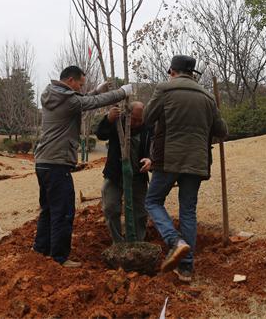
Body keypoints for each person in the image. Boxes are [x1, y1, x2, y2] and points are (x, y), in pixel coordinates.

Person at [33, 66, 133, 267]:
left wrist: (97, 89)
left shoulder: (54, 94)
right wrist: (123, 92)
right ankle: (60, 257)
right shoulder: (68, 99)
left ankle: (40, 249)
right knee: (63, 211)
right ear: (71, 80)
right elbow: (89, 102)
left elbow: (82, 100)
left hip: (43, 162)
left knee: (49, 209)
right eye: (80, 83)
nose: (81, 87)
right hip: (57, 164)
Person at [143, 55, 227, 283]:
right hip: (197, 161)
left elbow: (147, 118)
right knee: (188, 211)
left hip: (168, 158)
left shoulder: (165, 89)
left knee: (152, 201)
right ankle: (186, 269)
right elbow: (222, 130)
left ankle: (174, 241)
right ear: (193, 73)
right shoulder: (207, 96)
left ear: (172, 71)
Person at [95, 101, 152, 243]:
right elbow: (100, 134)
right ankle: (118, 243)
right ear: (128, 114)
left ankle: (137, 242)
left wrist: (150, 160)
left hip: (138, 176)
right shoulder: (118, 123)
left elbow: (154, 147)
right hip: (115, 174)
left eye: (140, 120)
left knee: (140, 212)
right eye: (134, 119)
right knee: (110, 207)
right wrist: (108, 118)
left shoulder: (147, 127)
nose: (137, 123)